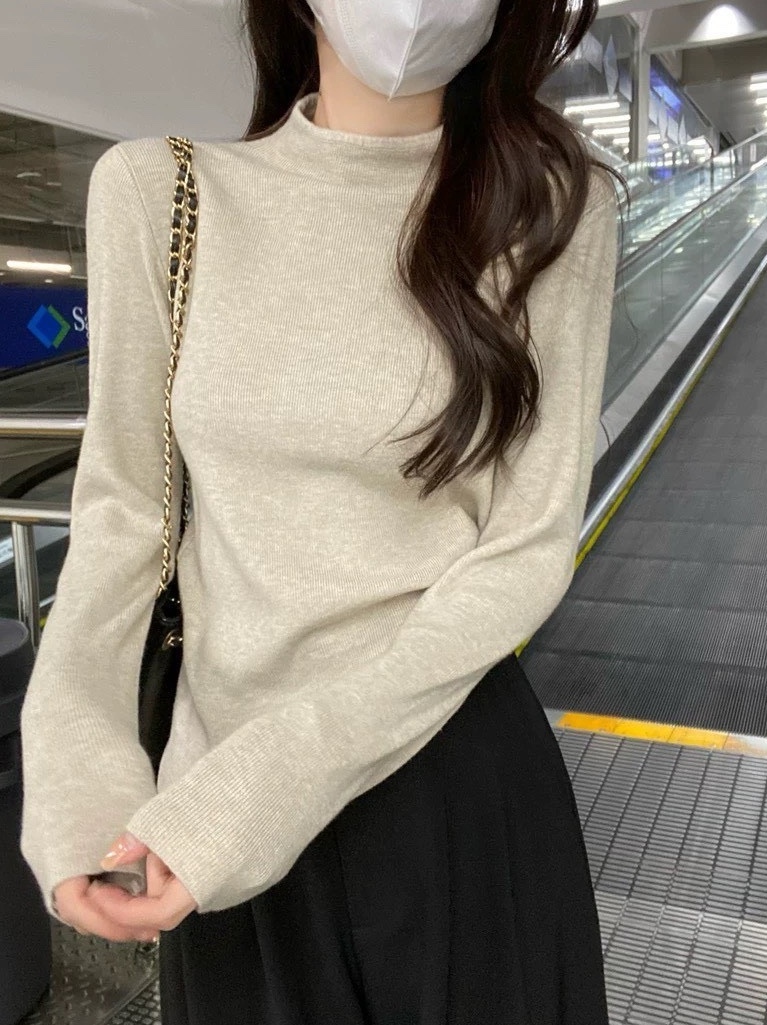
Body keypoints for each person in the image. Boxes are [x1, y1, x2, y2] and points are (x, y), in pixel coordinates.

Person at [19, 0, 621, 1021]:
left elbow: (524, 549)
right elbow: (123, 511)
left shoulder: (553, 210)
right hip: (213, 820)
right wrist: (78, 769)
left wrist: (261, 788)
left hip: (440, 783)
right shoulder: (163, 194)